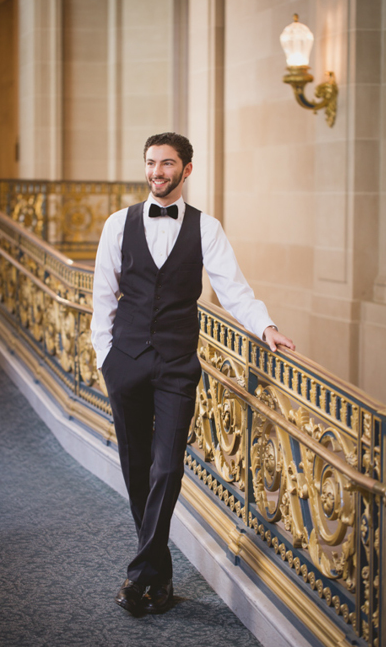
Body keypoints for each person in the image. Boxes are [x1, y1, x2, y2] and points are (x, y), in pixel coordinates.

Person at [91, 132, 294, 616]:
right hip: (127, 363)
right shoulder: (118, 224)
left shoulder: (208, 229)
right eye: (151, 163)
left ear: (187, 169)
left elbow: (234, 289)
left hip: (178, 365)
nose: (157, 171)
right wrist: (106, 358)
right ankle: (158, 580)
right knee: (136, 468)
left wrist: (265, 325)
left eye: (167, 163)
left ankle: (139, 575)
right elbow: (102, 298)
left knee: (167, 467)